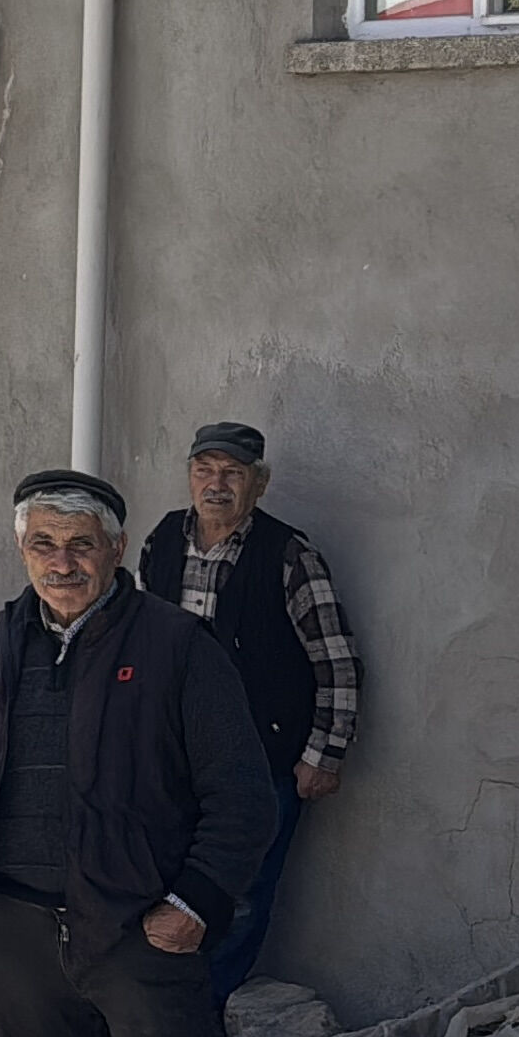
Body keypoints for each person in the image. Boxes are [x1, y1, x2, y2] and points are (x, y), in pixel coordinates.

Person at [0, 470, 275, 1037]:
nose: (61, 562)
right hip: (14, 933)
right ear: (23, 549)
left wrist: (193, 904)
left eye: (81, 543)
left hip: (139, 931)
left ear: (116, 549)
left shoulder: (178, 645)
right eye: (44, 543)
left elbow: (244, 796)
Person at [134, 422, 359, 1000]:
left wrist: (323, 756)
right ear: (189, 476)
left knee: (243, 892)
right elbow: (138, 644)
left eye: (233, 473)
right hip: (173, 755)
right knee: (165, 878)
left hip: (261, 760)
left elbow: (336, 662)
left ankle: (207, 1013)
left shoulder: (289, 557)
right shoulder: (162, 541)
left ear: (259, 483)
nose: (217, 485)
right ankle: (162, 1009)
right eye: (205, 470)